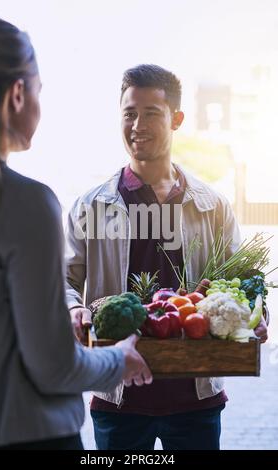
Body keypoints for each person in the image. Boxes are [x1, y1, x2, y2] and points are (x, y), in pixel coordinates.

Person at [66, 64, 268, 450]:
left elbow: (243, 282)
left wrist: (256, 317)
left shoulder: (213, 205)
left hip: (196, 397)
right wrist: (73, 308)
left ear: (176, 119)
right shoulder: (90, 206)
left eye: (151, 113)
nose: (137, 124)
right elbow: (64, 280)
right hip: (118, 398)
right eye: (129, 113)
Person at [0, 15, 152, 450]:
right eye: (38, 89)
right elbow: (54, 367)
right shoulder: (23, 203)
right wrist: (119, 358)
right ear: (18, 94)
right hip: (29, 436)